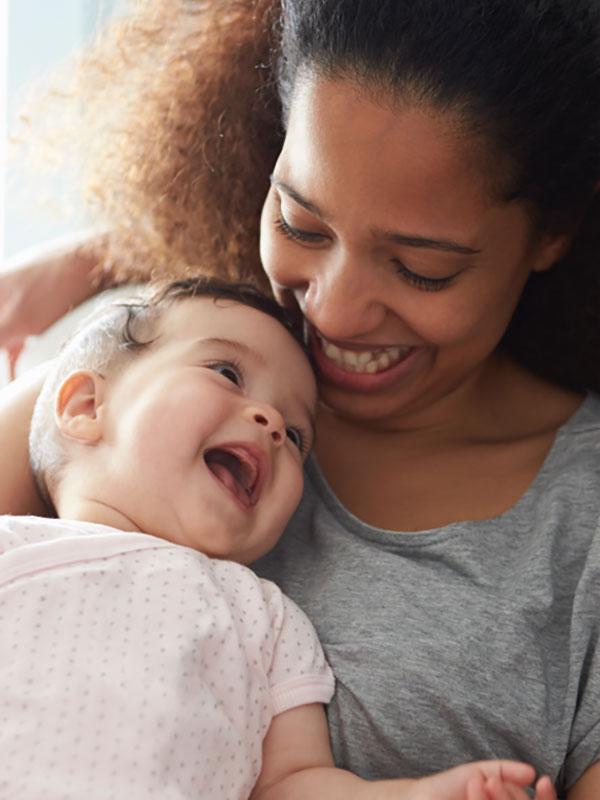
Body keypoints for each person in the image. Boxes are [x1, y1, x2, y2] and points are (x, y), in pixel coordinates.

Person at [1, 0, 599, 797]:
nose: (332, 312)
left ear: (553, 231)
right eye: (301, 222)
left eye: (422, 268)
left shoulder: (581, 527)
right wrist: (104, 256)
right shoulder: (149, 376)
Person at [0, 275, 550, 800]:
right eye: (227, 373)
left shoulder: (266, 623)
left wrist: (421, 792)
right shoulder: (16, 547)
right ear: (86, 407)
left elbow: (295, 785)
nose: (270, 423)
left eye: (295, 435)